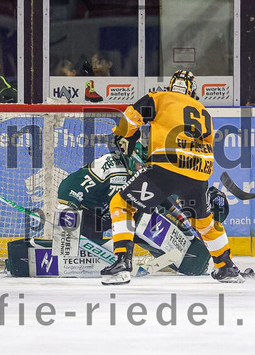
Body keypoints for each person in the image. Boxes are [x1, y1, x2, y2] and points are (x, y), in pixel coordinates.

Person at [101, 70, 244, 285]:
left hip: (166, 165)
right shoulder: (203, 110)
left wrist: (125, 136)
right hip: (198, 173)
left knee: (122, 204)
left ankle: (122, 262)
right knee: (203, 222)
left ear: (171, 86)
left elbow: (130, 118)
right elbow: (208, 145)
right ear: (192, 92)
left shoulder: (160, 97)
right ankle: (226, 266)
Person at [56, 143, 224, 276]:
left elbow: (166, 201)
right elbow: (69, 186)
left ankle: (184, 258)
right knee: (82, 260)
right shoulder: (109, 165)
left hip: (119, 216)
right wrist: (68, 211)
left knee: (148, 217)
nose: (142, 169)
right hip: (92, 216)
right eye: (139, 165)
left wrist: (191, 225)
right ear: (132, 159)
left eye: (145, 167)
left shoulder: (148, 174)